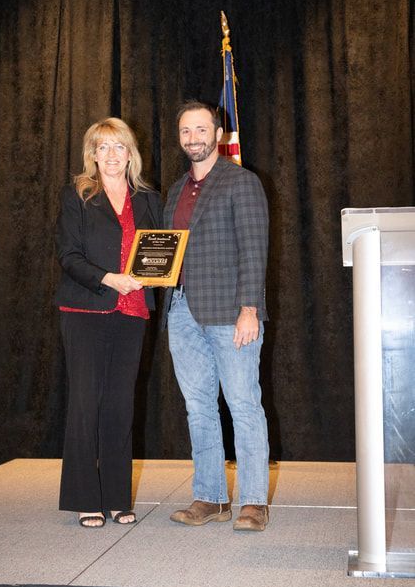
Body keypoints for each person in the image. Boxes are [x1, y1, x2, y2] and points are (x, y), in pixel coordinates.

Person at [163, 101, 270, 531]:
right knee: (199, 407)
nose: (194, 138)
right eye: (186, 131)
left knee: (243, 405)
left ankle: (254, 502)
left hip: (231, 313)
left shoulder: (241, 182)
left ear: (219, 134)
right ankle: (210, 497)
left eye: (201, 129)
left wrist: (250, 310)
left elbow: (254, 249)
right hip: (182, 311)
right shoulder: (174, 191)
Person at [56, 118, 162, 528]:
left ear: (130, 153)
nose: (112, 155)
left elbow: (160, 249)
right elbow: (68, 256)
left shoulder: (148, 198)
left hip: (132, 311)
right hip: (85, 310)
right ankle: (86, 497)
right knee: (86, 403)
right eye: (104, 148)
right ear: (93, 155)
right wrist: (108, 279)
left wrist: (158, 272)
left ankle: (117, 497)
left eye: (120, 147)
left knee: (121, 405)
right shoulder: (77, 196)